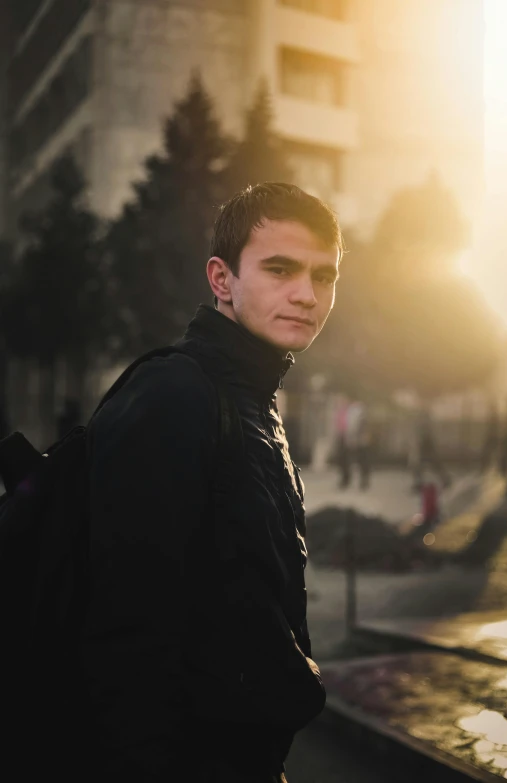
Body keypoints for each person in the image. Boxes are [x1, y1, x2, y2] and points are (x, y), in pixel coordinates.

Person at [80, 183, 343, 782]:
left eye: (323, 276)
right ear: (222, 280)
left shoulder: (251, 402)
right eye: (280, 269)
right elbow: (126, 635)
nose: (306, 294)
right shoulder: (175, 396)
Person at [411, 407, 451, 492]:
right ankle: (419, 483)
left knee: (422, 464)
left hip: (426, 443)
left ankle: (445, 479)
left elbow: (425, 433)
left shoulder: (425, 420)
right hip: (424, 443)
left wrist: (420, 443)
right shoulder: (423, 419)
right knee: (417, 465)